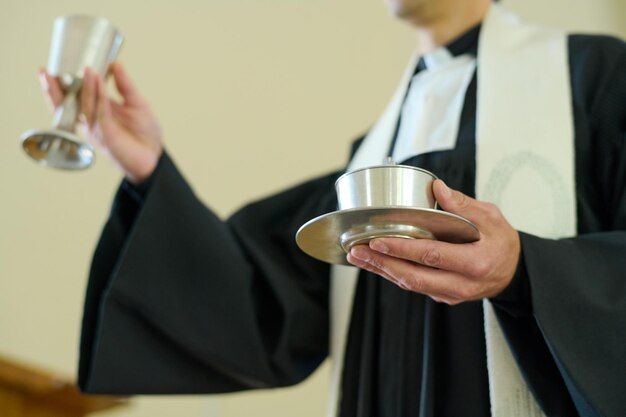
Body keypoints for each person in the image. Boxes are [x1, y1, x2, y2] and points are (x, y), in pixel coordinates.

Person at [39, 0, 626, 416]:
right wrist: (149, 168)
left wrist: (528, 271)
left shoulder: (596, 79)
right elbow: (267, 298)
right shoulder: (376, 149)